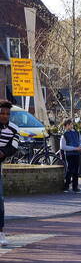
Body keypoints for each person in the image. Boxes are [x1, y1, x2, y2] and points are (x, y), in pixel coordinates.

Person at [0, 101, 21, 247]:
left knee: (0, 201)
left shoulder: (14, 129)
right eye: (2, 113)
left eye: (7, 114)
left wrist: (2, 153)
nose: (5, 116)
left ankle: (1, 233)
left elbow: (13, 146)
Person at [59, 119, 81, 193]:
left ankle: (75, 187)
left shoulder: (76, 133)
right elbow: (62, 147)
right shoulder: (64, 135)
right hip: (69, 154)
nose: (71, 125)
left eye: (71, 124)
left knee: (76, 171)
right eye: (69, 124)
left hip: (76, 154)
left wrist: (80, 146)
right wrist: (75, 148)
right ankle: (66, 186)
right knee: (69, 170)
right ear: (66, 126)